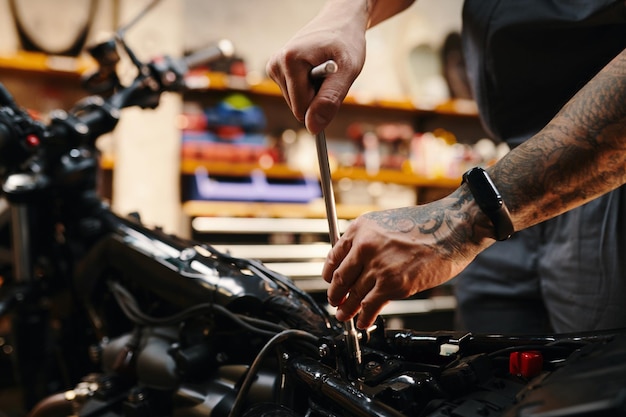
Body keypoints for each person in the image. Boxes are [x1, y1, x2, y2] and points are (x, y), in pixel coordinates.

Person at [266, 0, 626, 333]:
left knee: (589, 391)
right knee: (484, 384)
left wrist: (463, 217)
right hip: (507, 177)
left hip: (603, 182)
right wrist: (348, 14)